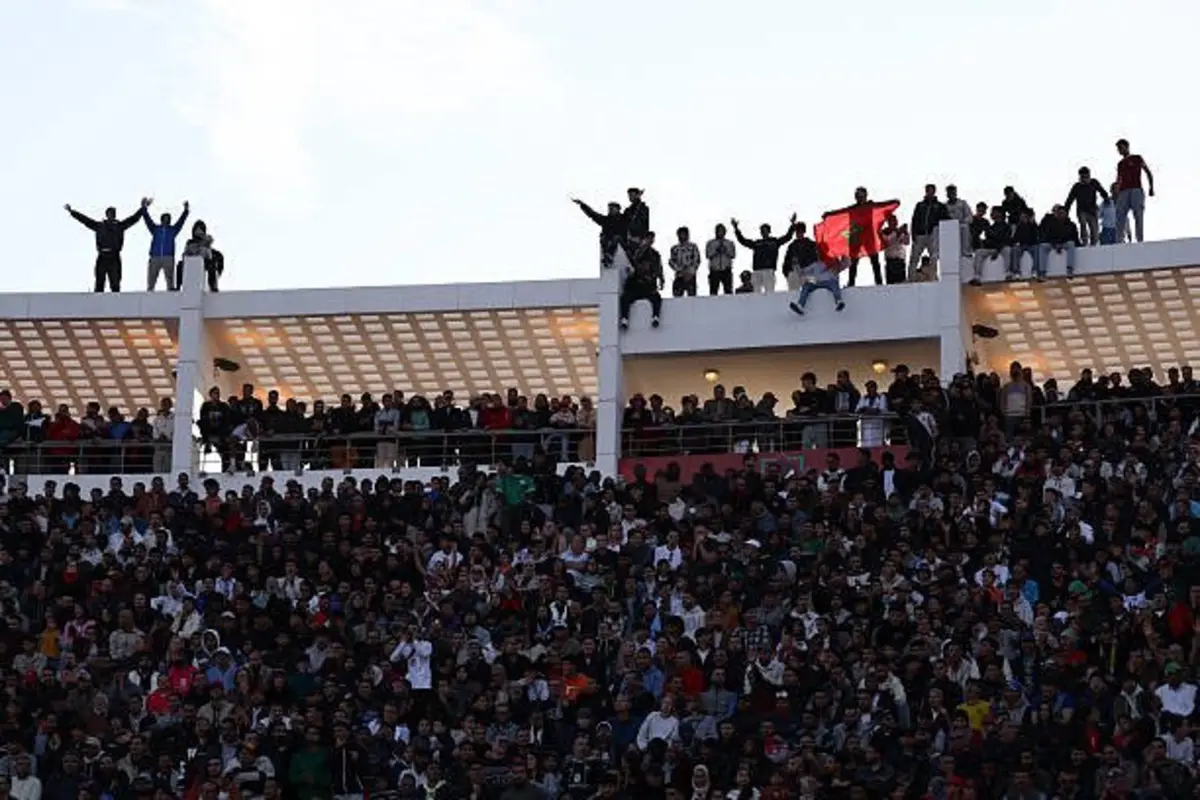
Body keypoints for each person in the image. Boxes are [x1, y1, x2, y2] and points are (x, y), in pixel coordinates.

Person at [64, 198, 149, 292]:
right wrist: (72, 212)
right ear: (106, 215)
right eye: (109, 213)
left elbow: (134, 218)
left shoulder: (119, 226)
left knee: (115, 284)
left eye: (113, 214)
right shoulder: (99, 226)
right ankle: (97, 304)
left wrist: (143, 208)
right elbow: (85, 220)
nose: (111, 215)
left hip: (114, 256)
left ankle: (116, 303)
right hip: (102, 256)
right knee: (99, 283)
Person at [730, 214, 797, 294]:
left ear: (769, 231)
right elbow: (743, 241)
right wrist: (736, 229)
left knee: (770, 292)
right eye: (762, 230)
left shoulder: (774, 242)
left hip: (769, 270)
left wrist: (793, 225)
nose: (764, 232)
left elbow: (787, 237)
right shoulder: (757, 243)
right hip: (757, 270)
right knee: (756, 293)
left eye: (765, 230)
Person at [140, 199, 190, 291]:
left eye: (168, 219)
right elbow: (147, 219)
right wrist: (144, 207)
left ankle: (170, 292)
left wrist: (186, 210)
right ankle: (149, 294)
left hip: (168, 257)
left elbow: (181, 221)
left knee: (170, 282)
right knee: (151, 282)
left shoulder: (173, 230)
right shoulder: (155, 229)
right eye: (165, 218)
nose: (167, 220)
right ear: (161, 220)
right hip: (155, 256)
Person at [619, 232, 663, 329]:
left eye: (651, 239)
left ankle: (655, 317)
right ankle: (624, 319)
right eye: (648, 238)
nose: (649, 241)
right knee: (625, 298)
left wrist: (660, 279)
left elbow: (658, 268)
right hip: (635, 286)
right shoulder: (635, 251)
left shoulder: (655, 254)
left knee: (656, 298)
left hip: (647, 286)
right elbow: (630, 265)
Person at [1114, 138, 1155, 243]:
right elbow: (1119, 180)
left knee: (1138, 215)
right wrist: (1116, 194)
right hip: (1123, 191)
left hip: (1136, 189)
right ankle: (1119, 240)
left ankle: (1140, 240)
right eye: (1118, 149)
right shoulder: (1120, 164)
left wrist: (1151, 187)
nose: (1119, 150)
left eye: (1121, 147)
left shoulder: (1137, 158)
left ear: (1127, 147)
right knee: (1120, 216)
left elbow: (1148, 172)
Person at [571, 197, 627, 268]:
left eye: (612, 208)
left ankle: (610, 255)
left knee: (615, 238)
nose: (610, 210)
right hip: (607, 240)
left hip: (620, 241)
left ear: (618, 209)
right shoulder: (606, 220)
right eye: (609, 208)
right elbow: (592, 214)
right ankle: (607, 256)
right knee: (604, 237)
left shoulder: (624, 219)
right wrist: (582, 205)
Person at [908, 184, 948, 281]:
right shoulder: (920, 205)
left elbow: (946, 219)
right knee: (914, 258)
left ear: (934, 191)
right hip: (920, 234)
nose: (929, 192)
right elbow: (914, 220)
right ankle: (911, 278)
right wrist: (913, 234)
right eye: (927, 190)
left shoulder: (940, 206)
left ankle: (933, 278)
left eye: (931, 190)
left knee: (934, 257)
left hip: (932, 235)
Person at [845, 187, 884, 286]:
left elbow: (882, 207)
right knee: (853, 261)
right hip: (856, 236)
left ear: (865, 196)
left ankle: (879, 282)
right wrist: (829, 215)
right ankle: (851, 283)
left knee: (874, 259)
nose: (859, 197)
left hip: (868, 236)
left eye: (861, 195)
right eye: (857, 196)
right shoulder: (852, 208)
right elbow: (840, 214)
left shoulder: (870, 206)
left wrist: (893, 203)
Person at [1064, 167, 1109, 247]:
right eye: (1082, 177)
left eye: (1086, 177)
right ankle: (1085, 241)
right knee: (1083, 224)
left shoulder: (1094, 183)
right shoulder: (1077, 186)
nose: (1084, 179)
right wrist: (1066, 211)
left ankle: (1094, 243)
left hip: (1092, 210)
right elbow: (1070, 199)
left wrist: (1106, 198)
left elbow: (1101, 190)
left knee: (1094, 229)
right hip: (1082, 210)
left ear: (1089, 175)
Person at [176, 220, 224, 291]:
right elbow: (188, 251)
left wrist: (202, 239)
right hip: (192, 260)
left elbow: (209, 241)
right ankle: (178, 286)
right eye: (197, 229)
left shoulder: (206, 238)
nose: (198, 231)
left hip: (204, 260)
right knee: (180, 265)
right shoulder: (190, 241)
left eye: (200, 229)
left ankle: (212, 285)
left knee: (212, 264)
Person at [969, 206, 1012, 285]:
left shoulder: (1006, 226)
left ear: (1000, 213)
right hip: (992, 249)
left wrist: (997, 250)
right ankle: (977, 277)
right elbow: (988, 240)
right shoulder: (991, 227)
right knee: (978, 252)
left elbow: (1005, 240)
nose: (991, 214)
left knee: (1007, 249)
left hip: (1000, 248)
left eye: (994, 212)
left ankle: (1008, 273)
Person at [1036, 204, 1080, 280]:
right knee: (1043, 246)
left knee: (1071, 244)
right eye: (1059, 213)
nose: (1061, 214)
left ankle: (1070, 269)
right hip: (1053, 243)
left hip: (1064, 243)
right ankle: (1042, 272)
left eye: (1063, 213)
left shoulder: (1071, 224)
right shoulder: (1051, 223)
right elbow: (1049, 235)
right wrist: (1055, 244)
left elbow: (1073, 237)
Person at [781, 222, 821, 292]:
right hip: (795, 272)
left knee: (811, 290)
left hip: (808, 271)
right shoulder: (792, 246)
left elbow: (815, 258)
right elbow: (786, 260)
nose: (798, 233)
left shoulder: (811, 244)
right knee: (793, 285)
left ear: (803, 232)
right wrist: (786, 271)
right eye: (797, 231)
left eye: (800, 231)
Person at [667, 226, 700, 297]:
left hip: (690, 276)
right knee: (677, 297)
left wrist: (690, 271)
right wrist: (680, 270)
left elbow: (696, 260)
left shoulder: (693, 247)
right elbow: (672, 262)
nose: (682, 236)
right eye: (680, 234)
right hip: (679, 275)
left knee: (692, 298)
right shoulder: (675, 248)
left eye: (684, 234)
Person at [705, 223, 736, 295]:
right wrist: (716, 251)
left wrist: (725, 250)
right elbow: (708, 255)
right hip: (715, 270)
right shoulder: (710, 243)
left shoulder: (729, 243)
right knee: (713, 291)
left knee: (728, 291)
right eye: (718, 231)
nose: (720, 233)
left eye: (722, 231)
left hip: (726, 269)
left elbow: (733, 255)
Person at [878, 213, 909, 285]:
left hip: (900, 261)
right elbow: (887, 241)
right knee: (890, 286)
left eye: (895, 221)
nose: (893, 223)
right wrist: (896, 233)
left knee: (901, 285)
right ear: (888, 222)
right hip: (890, 262)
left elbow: (906, 242)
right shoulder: (885, 232)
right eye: (891, 221)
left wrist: (905, 232)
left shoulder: (900, 231)